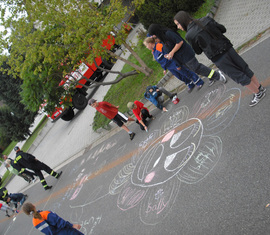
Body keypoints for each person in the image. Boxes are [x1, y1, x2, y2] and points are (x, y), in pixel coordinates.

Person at [173, 11, 266, 106]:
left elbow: (198, 51)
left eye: (178, 24)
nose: (178, 27)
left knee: (238, 76)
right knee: (244, 68)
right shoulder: (205, 19)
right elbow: (222, 29)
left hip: (218, 57)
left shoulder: (189, 35)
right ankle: (259, 87)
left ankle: (258, 93)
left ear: (183, 21)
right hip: (227, 47)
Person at [148, 23, 227, 86]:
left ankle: (217, 75)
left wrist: (171, 52)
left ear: (156, 31)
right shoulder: (162, 39)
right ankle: (211, 75)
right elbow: (169, 49)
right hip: (180, 59)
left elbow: (179, 42)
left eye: (153, 34)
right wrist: (170, 57)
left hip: (185, 54)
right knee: (195, 69)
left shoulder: (168, 33)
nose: (153, 37)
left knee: (197, 68)